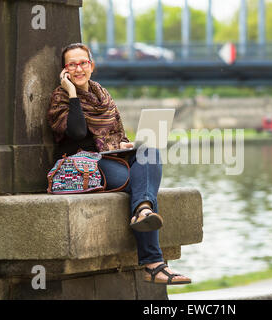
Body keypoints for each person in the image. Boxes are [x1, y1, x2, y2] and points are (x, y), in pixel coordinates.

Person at [47, 43, 191, 285]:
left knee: (149, 152)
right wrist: (72, 93)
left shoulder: (103, 95)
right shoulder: (60, 98)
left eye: (83, 62)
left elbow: (116, 135)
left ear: (91, 65)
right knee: (135, 180)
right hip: (83, 165)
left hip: (109, 157)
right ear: (65, 70)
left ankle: (143, 210)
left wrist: (124, 145)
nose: (78, 68)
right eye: (72, 64)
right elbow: (77, 131)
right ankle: (154, 264)